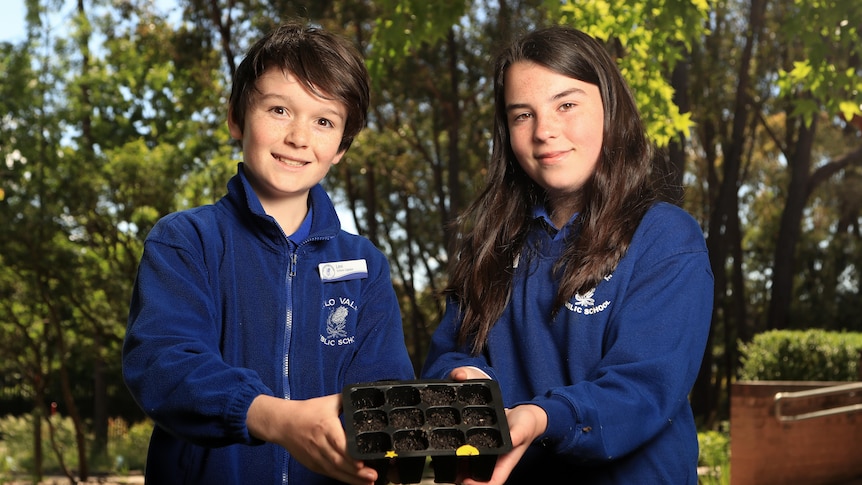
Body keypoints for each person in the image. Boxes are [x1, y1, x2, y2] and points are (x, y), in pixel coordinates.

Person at [122, 21, 415, 485]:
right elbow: (163, 364)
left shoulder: (366, 267)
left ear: (341, 145)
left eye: (324, 121)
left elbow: (385, 395)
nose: (299, 137)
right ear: (236, 117)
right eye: (279, 109)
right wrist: (274, 418)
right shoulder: (185, 241)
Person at [421, 25, 713, 484]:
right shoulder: (490, 246)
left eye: (566, 104)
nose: (545, 131)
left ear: (609, 109)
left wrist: (540, 417)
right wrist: (465, 381)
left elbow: (643, 389)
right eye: (522, 115)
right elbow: (446, 355)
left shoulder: (665, 238)